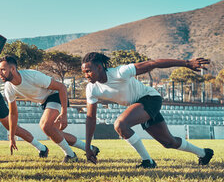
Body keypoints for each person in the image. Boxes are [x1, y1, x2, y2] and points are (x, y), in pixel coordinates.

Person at [81, 52, 213, 168]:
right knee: (168, 142)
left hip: (150, 99)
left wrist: (187, 63)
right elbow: (91, 118)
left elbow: (152, 63)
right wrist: (87, 147)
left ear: (99, 67)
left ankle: (147, 162)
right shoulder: (91, 89)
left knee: (120, 125)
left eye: (88, 71)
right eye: (84, 72)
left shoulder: (120, 72)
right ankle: (204, 153)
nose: (86, 75)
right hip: (137, 106)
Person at [0, 55, 98, 162]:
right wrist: (12, 136)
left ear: (13, 69)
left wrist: (64, 113)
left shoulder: (32, 76)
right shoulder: (8, 88)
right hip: (44, 102)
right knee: (54, 133)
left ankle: (71, 156)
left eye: (3, 70)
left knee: (45, 126)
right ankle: (90, 148)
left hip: (55, 95)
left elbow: (61, 87)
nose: (0, 73)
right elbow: (13, 114)